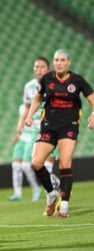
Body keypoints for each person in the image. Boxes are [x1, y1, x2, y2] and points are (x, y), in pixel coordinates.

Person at [25, 49, 94, 218]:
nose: (59, 63)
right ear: (54, 62)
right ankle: (51, 193)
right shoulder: (46, 79)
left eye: (62, 60)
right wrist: (29, 115)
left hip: (68, 126)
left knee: (64, 164)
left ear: (68, 62)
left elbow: (92, 97)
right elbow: (37, 97)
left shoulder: (77, 80)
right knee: (36, 163)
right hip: (48, 126)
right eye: (56, 60)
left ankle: (64, 206)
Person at [9, 57, 60, 202]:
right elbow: (26, 106)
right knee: (36, 166)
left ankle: (54, 197)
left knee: (47, 168)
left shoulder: (56, 85)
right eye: (36, 67)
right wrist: (21, 123)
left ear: (48, 69)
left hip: (52, 130)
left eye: (42, 67)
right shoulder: (29, 87)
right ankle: (58, 187)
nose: (38, 70)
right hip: (36, 132)